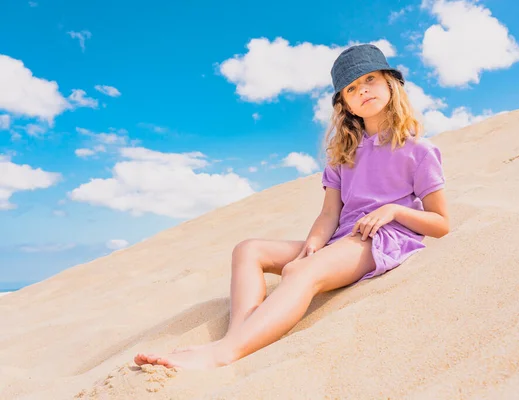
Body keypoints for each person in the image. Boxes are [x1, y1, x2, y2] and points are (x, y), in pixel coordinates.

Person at [134, 44, 450, 370]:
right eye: (352, 88)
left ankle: (224, 353)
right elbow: (329, 214)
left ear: (390, 83)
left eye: (370, 79)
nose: (363, 90)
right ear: (346, 105)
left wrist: (394, 211)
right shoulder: (344, 155)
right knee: (249, 249)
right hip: (341, 239)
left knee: (303, 272)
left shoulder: (419, 151)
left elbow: (441, 223)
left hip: (380, 239)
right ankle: (238, 335)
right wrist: (314, 243)